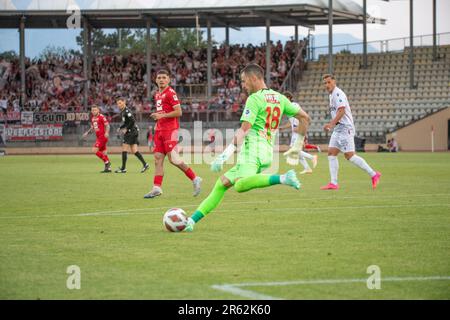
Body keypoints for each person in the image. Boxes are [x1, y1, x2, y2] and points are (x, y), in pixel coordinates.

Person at [183, 63, 310, 232]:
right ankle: (192, 221)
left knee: (240, 185)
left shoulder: (254, 99)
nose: (243, 85)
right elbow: (305, 118)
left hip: (252, 151)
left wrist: (224, 155)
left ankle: (283, 178)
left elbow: (244, 130)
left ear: (254, 78)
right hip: (266, 154)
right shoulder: (280, 98)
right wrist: (298, 145)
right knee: (221, 184)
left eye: (244, 81)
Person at [144, 69, 202, 199]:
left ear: (169, 79)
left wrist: (162, 115)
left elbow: (179, 112)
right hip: (160, 130)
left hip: (170, 130)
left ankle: (195, 178)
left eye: (164, 77)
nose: (161, 80)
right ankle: (156, 188)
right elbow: (161, 111)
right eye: (159, 77)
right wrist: (157, 121)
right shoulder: (157, 94)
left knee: (174, 160)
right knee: (158, 159)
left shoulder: (170, 93)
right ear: (156, 80)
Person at [320, 74, 381, 190]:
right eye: (325, 83)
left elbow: (341, 111)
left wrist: (331, 124)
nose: (327, 85)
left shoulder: (338, 94)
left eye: (328, 82)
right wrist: (333, 125)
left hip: (345, 128)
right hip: (338, 129)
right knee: (331, 153)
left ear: (334, 81)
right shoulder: (331, 95)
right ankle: (333, 183)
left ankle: (374, 174)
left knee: (350, 156)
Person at [280, 91, 318, 174]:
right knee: (296, 151)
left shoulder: (294, 105)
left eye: (284, 98)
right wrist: (282, 128)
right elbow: (291, 122)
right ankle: (307, 168)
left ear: (288, 98)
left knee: (294, 149)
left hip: (298, 131)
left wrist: (299, 127)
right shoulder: (289, 107)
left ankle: (312, 157)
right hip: (295, 132)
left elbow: (301, 116)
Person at [115, 96, 149, 173]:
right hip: (133, 132)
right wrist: (120, 127)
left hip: (131, 132)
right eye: (118, 104)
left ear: (124, 102)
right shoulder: (123, 111)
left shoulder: (127, 111)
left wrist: (126, 129)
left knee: (124, 149)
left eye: (120, 103)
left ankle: (123, 168)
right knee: (134, 151)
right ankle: (145, 164)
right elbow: (126, 122)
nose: (119, 105)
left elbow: (132, 121)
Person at [82, 105, 111, 173]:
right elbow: (93, 127)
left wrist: (107, 132)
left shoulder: (101, 117)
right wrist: (87, 132)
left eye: (95, 110)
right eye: (92, 110)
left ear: (98, 110)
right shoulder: (93, 118)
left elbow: (107, 125)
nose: (94, 111)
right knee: (104, 153)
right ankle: (108, 168)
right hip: (98, 137)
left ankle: (107, 162)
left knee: (94, 150)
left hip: (102, 137)